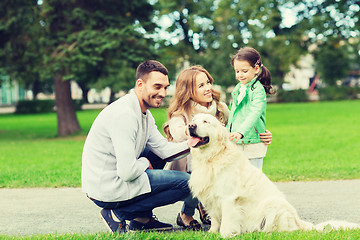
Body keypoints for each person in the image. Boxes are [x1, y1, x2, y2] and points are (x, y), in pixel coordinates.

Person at [81, 60, 201, 233]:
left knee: (155, 154)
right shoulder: (125, 115)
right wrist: (144, 162)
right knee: (189, 184)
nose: (162, 93)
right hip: (107, 187)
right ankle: (117, 214)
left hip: (118, 177)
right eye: (157, 86)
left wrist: (196, 142)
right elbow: (127, 172)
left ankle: (142, 220)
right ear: (140, 84)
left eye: (166, 88)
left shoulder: (144, 113)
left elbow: (164, 151)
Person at [163, 65, 272, 225]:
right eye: (201, 86)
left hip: (215, 162)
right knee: (197, 181)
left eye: (208, 82)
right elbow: (178, 133)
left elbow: (237, 124)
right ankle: (186, 213)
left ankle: (211, 209)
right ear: (187, 91)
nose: (208, 88)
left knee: (226, 177)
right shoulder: (181, 113)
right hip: (190, 165)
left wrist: (262, 133)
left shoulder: (219, 108)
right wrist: (198, 128)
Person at [226, 46, 276, 169]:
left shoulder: (257, 90)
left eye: (244, 71)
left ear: (256, 69)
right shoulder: (239, 88)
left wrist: (240, 132)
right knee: (239, 178)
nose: (240, 75)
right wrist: (228, 131)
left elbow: (255, 112)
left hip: (252, 142)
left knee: (254, 178)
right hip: (238, 142)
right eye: (237, 71)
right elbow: (233, 114)